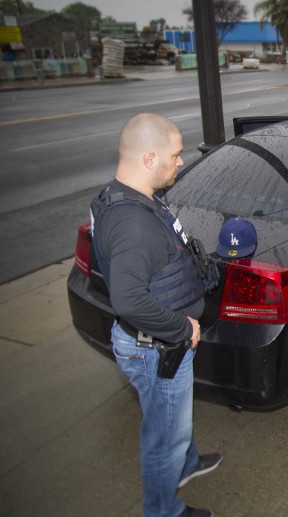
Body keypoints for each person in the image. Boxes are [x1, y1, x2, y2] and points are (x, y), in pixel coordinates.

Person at [91, 113, 221, 517]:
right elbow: (129, 300)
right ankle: (164, 509)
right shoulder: (134, 223)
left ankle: (185, 463)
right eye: (175, 154)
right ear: (149, 158)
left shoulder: (124, 195)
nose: (180, 161)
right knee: (163, 435)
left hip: (160, 343)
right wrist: (182, 327)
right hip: (156, 347)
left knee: (170, 420)